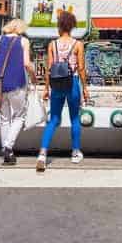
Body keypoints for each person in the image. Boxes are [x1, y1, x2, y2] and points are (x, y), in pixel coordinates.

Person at [36, 11, 87, 172]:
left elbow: (49, 68)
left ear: (59, 26)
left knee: (53, 120)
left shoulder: (52, 44)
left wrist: (46, 88)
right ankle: (76, 152)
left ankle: (43, 154)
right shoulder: (78, 44)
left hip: (56, 85)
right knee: (74, 119)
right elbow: (81, 68)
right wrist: (85, 88)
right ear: (72, 26)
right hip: (72, 83)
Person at [0, 18, 35, 165]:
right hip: (17, 82)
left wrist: (0, 65)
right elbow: (27, 63)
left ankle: (7, 151)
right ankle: (8, 146)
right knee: (20, 116)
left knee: (4, 118)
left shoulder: (0, 39)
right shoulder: (23, 41)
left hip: (1, 83)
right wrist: (33, 77)